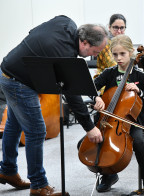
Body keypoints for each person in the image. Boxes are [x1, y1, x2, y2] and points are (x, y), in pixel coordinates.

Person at [0, 15, 107, 196]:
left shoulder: (66, 22)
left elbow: (33, 33)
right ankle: (39, 185)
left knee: (14, 123)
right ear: (85, 43)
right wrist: (89, 127)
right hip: (18, 82)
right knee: (36, 131)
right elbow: (71, 94)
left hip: (7, 71)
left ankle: (7, 170)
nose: (95, 57)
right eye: (96, 52)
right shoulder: (64, 52)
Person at [92, 34, 144, 195]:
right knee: (91, 142)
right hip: (109, 120)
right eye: (115, 54)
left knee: (140, 142)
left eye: (122, 54)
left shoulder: (139, 75)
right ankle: (108, 174)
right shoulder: (109, 73)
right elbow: (91, 87)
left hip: (132, 121)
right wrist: (96, 97)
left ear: (131, 52)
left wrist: (139, 91)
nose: (118, 58)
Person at [94, 13, 127, 79]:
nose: (119, 31)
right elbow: (113, 65)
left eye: (122, 28)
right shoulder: (104, 44)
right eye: (116, 27)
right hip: (104, 82)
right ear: (109, 27)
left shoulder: (126, 44)